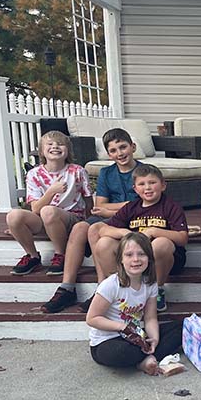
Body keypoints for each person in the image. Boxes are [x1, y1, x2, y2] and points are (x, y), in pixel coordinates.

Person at [43, 128, 140, 313]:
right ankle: (67, 287)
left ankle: (101, 289)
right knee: (80, 227)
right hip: (109, 217)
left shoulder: (143, 172)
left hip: (133, 220)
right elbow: (100, 205)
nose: (120, 153)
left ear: (132, 147)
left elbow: (142, 204)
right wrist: (117, 207)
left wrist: (110, 208)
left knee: (95, 228)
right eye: (113, 150)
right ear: (109, 154)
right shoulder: (107, 173)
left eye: (123, 147)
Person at [94, 164, 188, 312]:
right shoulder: (131, 207)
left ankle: (157, 290)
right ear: (135, 189)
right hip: (135, 258)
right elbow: (104, 230)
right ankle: (122, 288)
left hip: (165, 261)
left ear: (163, 185)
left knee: (161, 243)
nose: (147, 188)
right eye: (142, 184)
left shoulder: (171, 206)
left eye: (152, 182)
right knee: (103, 243)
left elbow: (182, 238)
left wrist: (154, 231)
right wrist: (125, 233)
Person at [86, 232, 182, 375]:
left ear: (149, 258)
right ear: (121, 259)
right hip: (107, 341)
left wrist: (154, 339)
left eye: (141, 254)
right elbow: (92, 318)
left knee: (183, 327)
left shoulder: (150, 283)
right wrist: (122, 327)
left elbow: (150, 318)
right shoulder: (110, 285)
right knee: (121, 353)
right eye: (129, 255)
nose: (136, 259)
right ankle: (145, 359)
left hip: (136, 336)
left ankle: (148, 355)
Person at [6, 130, 92, 276]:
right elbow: (35, 209)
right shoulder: (34, 174)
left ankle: (61, 254)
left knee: (48, 211)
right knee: (13, 216)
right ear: (41, 151)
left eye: (60, 144)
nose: (55, 146)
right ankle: (32, 256)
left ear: (68, 150)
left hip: (71, 219)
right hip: (43, 218)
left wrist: (88, 224)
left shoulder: (78, 171)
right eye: (50, 144)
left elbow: (89, 201)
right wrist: (52, 191)